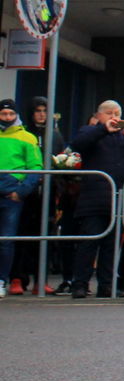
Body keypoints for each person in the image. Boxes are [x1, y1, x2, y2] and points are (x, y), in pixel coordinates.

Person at [68, 101, 124, 298]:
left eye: (118, 113)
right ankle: (80, 283)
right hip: (93, 198)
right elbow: (78, 145)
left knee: (111, 246)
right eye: (110, 113)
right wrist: (103, 129)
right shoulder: (90, 131)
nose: (114, 117)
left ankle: (106, 285)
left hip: (118, 199)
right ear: (100, 115)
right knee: (89, 242)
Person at [9, 97, 64, 295]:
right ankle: (17, 278)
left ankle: (41, 279)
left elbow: (60, 159)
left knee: (45, 235)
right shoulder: (24, 134)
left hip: (47, 194)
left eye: (45, 111)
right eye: (38, 110)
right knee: (22, 234)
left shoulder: (55, 135)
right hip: (26, 192)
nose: (41, 114)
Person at [0, 99, 42, 298]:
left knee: (7, 240)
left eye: (10, 114)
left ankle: (2, 280)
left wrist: (21, 191)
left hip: (11, 194)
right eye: (3, 114)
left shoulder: (28, 137)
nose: (7, 118)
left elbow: (35, 167)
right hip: (10, 191)